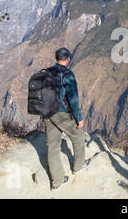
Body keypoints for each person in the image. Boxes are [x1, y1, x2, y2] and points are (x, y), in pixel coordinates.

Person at [43, 47, 88, 191]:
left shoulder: (46, 72)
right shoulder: (67, 75)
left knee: (53, 146)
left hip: (46, 113)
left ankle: (57, 182)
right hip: (61, 113)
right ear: (68, 59)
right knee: (78, 136)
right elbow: (73, 99)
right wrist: (78, 118)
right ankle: (78, 166)